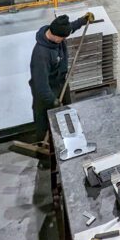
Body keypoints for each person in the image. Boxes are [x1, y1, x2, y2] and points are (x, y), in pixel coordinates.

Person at [28, 12, 96, 143]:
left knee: (67, 112)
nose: (64, 40)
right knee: (45, 121)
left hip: (61, 82)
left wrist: (83, 20)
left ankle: (70, 139)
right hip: (46, 90)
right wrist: (52, 100)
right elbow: (40, 85)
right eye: (62, 38)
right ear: (55, 35)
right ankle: (45, 151)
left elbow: (71, 27)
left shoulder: (58, 30)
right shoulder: (41, 54)